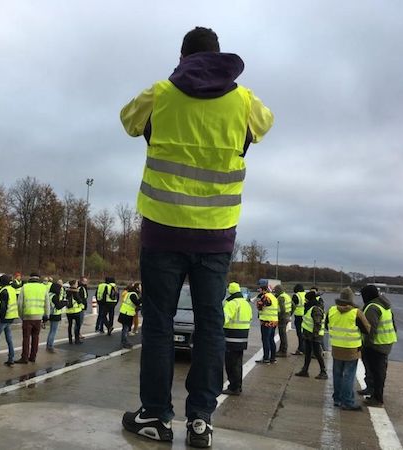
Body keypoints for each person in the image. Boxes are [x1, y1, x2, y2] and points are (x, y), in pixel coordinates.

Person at [120, 26, 274, 447]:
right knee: (211, 325)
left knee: (158, 324)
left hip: (163, 230)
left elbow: (128, 121)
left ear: (183, 57)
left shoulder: (161, 92)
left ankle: (155, 414)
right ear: (218, 55)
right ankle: (201, 420)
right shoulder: (243, 101)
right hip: (215, 235)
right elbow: (264, 125)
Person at [325, 287, 370, 411]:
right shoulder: (356, 312)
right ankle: (348, 401)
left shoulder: (332, 310)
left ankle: (338, 399)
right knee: (349, 376)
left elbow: (326, 326)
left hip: (336, 347)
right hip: (351, 349)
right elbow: (367, 329)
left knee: (337, 374)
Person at [358, 285, 397, 407]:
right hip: (386, 342)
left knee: (376, 371)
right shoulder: (384, 305)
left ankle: (377, 397)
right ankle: (373, 391)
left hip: (375, 344)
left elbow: (370, 329)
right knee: (378, 370)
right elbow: (393, 324)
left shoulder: (372, 307)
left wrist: (366, 344)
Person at [222, 282, 252, 396]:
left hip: (231, 338)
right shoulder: (245, 303)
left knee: (230, 364)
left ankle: (233, 387)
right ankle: (238, 386)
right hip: (243, 338)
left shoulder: (231, 303)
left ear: (230, 291)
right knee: (238, 364)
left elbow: (223, 320)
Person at [16, 272, 50, 364]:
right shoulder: (43, 288)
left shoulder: (25, 287)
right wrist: (46, 315)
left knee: (26, 338)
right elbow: (47, 303)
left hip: (27, 316)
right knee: (36, 337)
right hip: (38, 317)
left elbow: (19, 304)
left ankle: (24, 358)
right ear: (39, 278)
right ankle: (33, 357)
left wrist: (21, 316)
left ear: (30, 278)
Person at [294, 291, 327, 379]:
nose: (305, 301)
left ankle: (323, 371)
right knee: (307, 353)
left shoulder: (315, 309)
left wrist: (314, 335)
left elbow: (317, 323)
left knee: (317, 353)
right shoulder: (310, 308)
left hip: (314, 336)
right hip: (308, 335)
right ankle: (305, 370)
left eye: (306, 299)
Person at [256, 285, 278, 364]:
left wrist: (258, 300)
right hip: (274, 321)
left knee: (265, 339)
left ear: (263, 290)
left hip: (266, 321)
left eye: (260, 289)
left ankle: (266, 358)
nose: (258, 290)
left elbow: (260, 306)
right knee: (271, 339)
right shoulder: (273, 297)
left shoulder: (266, 296)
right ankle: (273, 358)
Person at [118, 282, 142, 349]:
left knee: (124, 329)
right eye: (140, 288)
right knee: (125, 329)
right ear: (137, 288)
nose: (140, 289)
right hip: (127, 313)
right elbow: (137, 303)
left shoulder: (129, 293)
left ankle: (123, 341)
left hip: (124, 312)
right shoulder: (133, 295)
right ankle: (124, 342)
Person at [45, 279, 67, 352]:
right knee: (53, 331)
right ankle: (50, 345)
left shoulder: (49, 294)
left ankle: (48, 344)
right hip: (55, 314)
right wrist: (65, 303)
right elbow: (58, 306)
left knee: (51, 331)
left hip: (50, 313)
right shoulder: (55, 296)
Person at [273, 285, 291, 357]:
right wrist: (289, 314)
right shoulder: (287, 296)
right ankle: (282, 349)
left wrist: (279, 317)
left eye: (275, 291)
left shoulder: (280, 298)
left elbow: (282, 309)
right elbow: (293, 306)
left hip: (282, 318)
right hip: (287, 316)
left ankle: (283, 351)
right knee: (283, 334)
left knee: (282, 334)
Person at [65, 280, 83, 345]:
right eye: (76, 284)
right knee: (77, 326)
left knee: (69, 325)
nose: (77, 285)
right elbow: (79, 300)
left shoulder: (67, 291)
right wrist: (82, 306)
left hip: (68, 311)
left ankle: (70, 339)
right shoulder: (75, 291)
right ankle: (77, 340)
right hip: (76, 311)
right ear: (74, 284)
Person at [291, 284, 306, 355]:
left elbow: (293, 306)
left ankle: (300, 349)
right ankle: (305, 348)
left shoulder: (296, 296)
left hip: (299, 316)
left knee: (299, 333)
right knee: (305, 333)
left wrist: (290, 314)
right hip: (306, 316)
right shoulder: (306, 294)